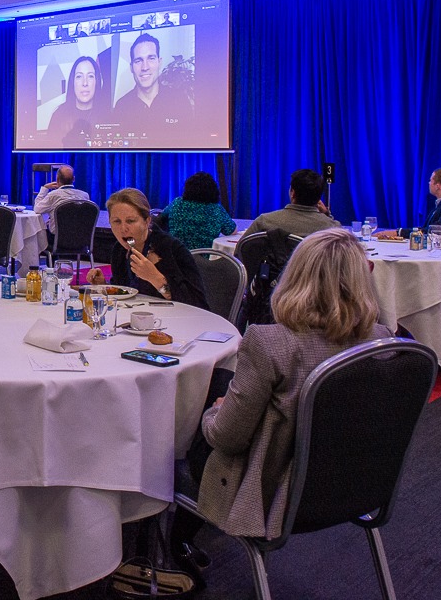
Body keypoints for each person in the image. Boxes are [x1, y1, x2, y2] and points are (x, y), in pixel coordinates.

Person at [168, 228, 392, 581]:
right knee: (222, 382)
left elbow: (226, 439)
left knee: (192, 417)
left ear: (295, 275)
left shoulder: (270, 343)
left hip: (271, 492)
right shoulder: (382, 340)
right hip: (354, 484)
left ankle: (165, 535)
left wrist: (213, 410)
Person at [89, 187, 207, 308]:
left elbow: (197, 303)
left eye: (130, 221)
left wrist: (156, 278)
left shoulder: (171, 249)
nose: (123, 229)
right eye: (117, 221)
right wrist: (103, 285)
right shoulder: (119, 250)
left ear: (147, 221)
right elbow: (124, 294)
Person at [374, 166, 441, 244]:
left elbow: (434, 232)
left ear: (438, 186)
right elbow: (426, 229)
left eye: (431, 180)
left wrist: (398, 232)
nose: (429, 183)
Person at [112, 33, 193, 128]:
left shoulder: (179, 100)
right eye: (138, 61)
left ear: (159, 62)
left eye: (151, 58)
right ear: (131, 67)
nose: (145, 67)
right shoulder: (121, 107)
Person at [245, 169, 339, 238]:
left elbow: (241, 250)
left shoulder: (264, 221)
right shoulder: (332, 228)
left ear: (292, 193)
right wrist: (326, 215)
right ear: (319, 197)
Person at [160, 171, 238, 250]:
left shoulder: (177, 203)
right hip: (206, 256)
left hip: (177, 254)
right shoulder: (216, 209)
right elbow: (232, 231)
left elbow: (161, 216)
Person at [48, 56, 103, 146]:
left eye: (90, 76)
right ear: (72, 82)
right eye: (79, 76)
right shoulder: (58, 116)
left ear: (97, 81)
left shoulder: (106, 116)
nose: (85, 83)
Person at [33, 165, 91, 231]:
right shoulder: (85, 195)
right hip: (80, 234)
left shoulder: (53, 195)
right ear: (73, 179)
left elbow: (37, 209)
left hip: (57, 235)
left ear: (57, 179)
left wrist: (45, 188)